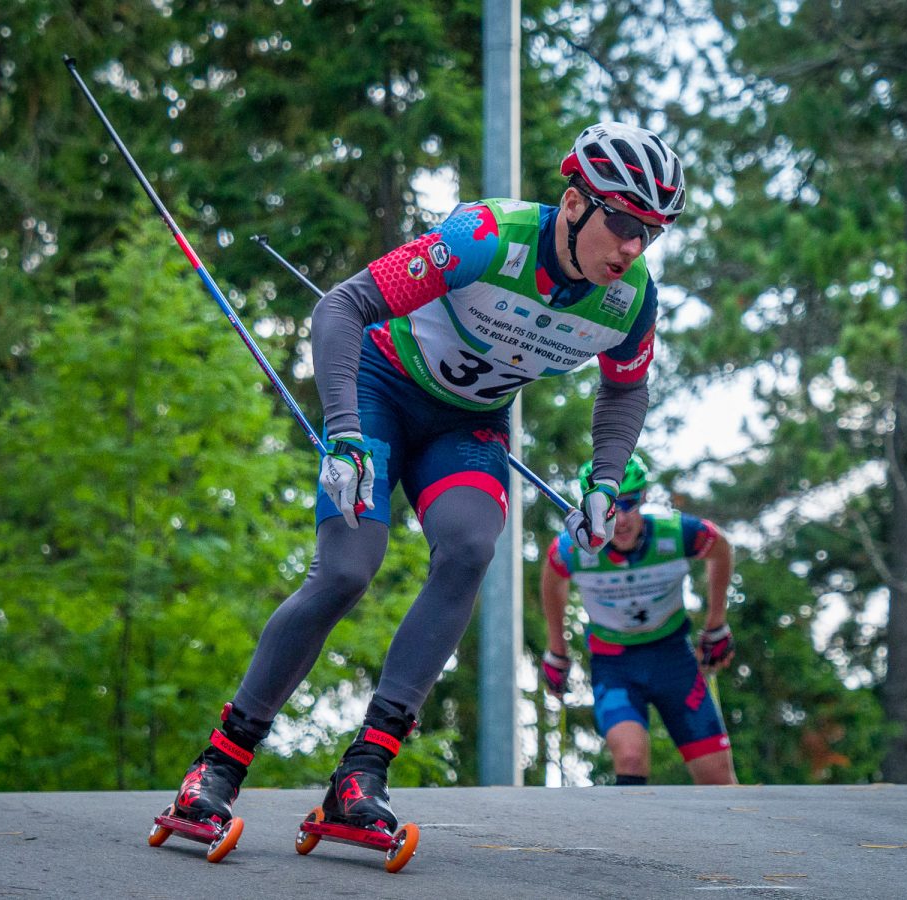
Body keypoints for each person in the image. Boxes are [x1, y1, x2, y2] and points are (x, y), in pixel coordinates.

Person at [165, 122, 687, 836]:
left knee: (470, 548)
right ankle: (220, 763)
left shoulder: (630, 301)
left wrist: (603, 480)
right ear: (574, 203)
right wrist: (344, 430)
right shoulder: (486, 237)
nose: (633, 248)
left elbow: (625, 391)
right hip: (381, 390)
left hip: (466, 426)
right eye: (624, 223)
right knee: (346, 571)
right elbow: (341, 306)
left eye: (650, 234)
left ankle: (363, 771)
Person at [540, 454, 739, 785]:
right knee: (630, 757)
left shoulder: (676, 532)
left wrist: (716, 622)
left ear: (644, 497)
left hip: (672, 658)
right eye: (606, 508)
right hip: (615, 664)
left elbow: (720, 547)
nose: (619, 520)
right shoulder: (574, 549)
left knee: (717, 775)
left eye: (629, 504)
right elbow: (552, 579)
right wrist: (557, 649)